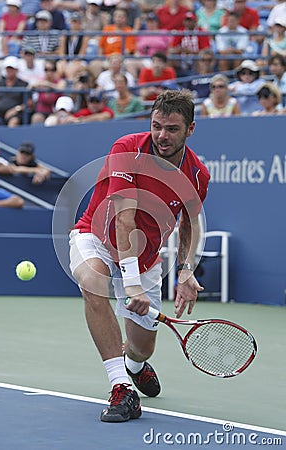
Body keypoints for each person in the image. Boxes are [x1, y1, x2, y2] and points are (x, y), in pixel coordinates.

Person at [68, 89, 210, 422]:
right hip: (97, 235)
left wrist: (186, 270)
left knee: (142, 346)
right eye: (156, 125)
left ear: (190, 130)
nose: (162, 135)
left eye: (172, 129)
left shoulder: (198, 175)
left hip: (147, 258)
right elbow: (124, 217)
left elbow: (190, 224)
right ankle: (121, 387)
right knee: (93, 281)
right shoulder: (127, 147)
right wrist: (130, 283)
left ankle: (133, 365)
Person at [0, 56, 29, 127]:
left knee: (14, 121)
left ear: (16, 70)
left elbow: (29, 103)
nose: (9, 71)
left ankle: (11, 137)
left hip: (15, 114)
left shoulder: (23, 84)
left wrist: (16, 109)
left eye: (12, 68)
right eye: (8, 68)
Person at [169, 12, 211, 77]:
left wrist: (191, 52)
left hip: (197, 59)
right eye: (186, 21)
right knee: (171, 56)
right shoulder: (180, 32)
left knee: (203, 58)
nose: (188, 23)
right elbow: (172, 48)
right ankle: (172, 78)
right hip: (182, 59)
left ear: (195, 21)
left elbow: (206, 50)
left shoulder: (201, 32)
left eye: (190, 21)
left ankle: (202, 79)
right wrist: (179, 50)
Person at [30, 59, 66, 124]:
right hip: (41, 112)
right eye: (46, 70)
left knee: (51, 121)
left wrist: (48, 84)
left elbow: (60, 88)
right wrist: (39, 84)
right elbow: (30, 86)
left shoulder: (60, 82)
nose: (49, 72)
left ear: (55, 71)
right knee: (36, 118)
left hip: (55, 113)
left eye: (51, 70)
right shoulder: (41, 81)